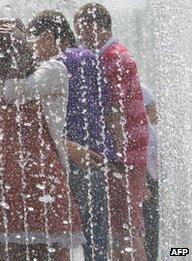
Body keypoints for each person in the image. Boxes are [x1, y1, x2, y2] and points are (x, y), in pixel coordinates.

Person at [0, 14, 87, 260]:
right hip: (5, 181)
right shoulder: (4, 75)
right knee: (6, 252)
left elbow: (21, 91)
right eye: (1, 49)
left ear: (27, 43)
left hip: (43, 180)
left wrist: (14, 45)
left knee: (52, 253)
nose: (4, 53)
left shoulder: (52, 69)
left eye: (12, 45)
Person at [30, 10, 117, 260]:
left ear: (47, 38)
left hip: (71, 158)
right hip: (97, 155)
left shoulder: (55, 65)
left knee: (56, 236)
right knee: (96, 235)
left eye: (34, 42)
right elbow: (105, 106)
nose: (33, 50)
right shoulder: (89, 56)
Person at [75, 3, 150, 260]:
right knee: (122, 229)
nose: (80, 38)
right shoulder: (115, 54)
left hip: (125, 156)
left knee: (125, 232)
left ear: (94, 26)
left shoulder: (113, 58)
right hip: (130, 154)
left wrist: (117, 158)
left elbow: (114, 112)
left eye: (81, 30)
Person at [141, 85, 159, 261]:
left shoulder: (139, 88)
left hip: (150, 171)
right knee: (148, 222)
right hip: (142, 170)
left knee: (150, 222)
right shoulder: (137, 88)